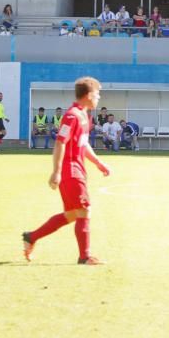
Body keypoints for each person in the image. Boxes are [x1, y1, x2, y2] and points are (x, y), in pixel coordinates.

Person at [22, 76, 110, 265]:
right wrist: (57, 171)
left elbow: (83, 144)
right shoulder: (71, 116)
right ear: (87, 95)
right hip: (71, 171)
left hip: (78, 169)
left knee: (72, 215)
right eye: (97, 94)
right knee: (84, 210)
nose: (99, 98)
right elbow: (60, 143)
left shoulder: (84, 115)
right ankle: (84, 257)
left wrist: (98, 163)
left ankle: (31, 237)